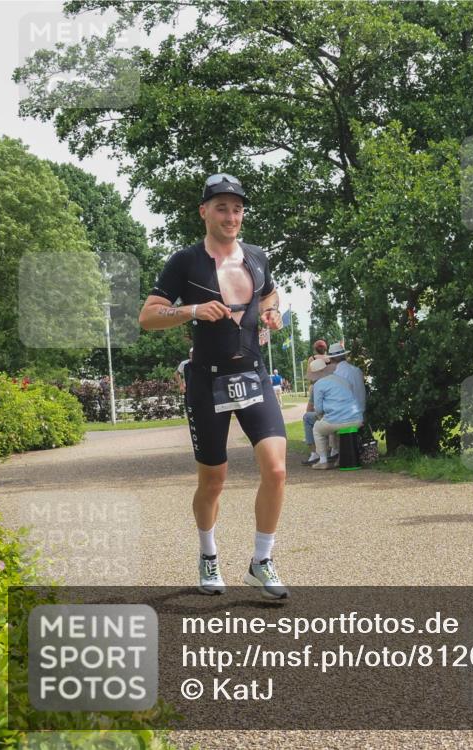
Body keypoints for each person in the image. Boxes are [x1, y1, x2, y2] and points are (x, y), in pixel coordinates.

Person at [139, 173, 289, 599]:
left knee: (276, 470)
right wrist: (191, 311)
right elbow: (148, 316)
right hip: (207, 381)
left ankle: (261, 561)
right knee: (213, 482)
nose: (230, 216)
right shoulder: (185, 262)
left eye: (237, 209)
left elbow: (269, 296)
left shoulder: (257, 257)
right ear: (204, 211)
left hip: (254, 376)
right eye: (221, 208)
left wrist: (273, 313)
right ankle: (208, 554)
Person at [309, 349, 365, 470]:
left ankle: (323, 460)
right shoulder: (341, 379)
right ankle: (341, 458)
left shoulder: (319, 384)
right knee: (336, 428)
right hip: (357, 418)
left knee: (317, 429)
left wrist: (322, 415)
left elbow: (318, 409)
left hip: (340, 420)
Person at [301, 339, 335, 465]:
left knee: (309, 416)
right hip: (331, 388)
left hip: (318, 388)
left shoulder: (312, 358)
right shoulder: (330, 359)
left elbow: (310, 375)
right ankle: (332, 449)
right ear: (325, 349)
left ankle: (315, 452)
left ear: (315, 349)